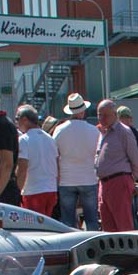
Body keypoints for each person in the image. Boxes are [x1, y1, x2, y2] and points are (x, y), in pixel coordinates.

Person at [93, 99, 138, 232]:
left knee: (123, 226)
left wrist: (129, 180)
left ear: (114, 114)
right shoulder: (103, 132)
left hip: (119, 182)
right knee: (107, 228)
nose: (102, 118)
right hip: (104, 183)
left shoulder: (123, 132)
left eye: (105, 115)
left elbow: (137, 159)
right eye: (99, 115)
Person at [52, 92, 100, 229]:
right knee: (92, 220)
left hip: (66, 179)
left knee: (67, 221)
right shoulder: (94, 131)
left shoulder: (59, 130)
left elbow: (55, 154)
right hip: (89, 178)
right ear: (83, 111)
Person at [14, 105, 59, 218]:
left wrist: (16, 191)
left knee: (32, 226)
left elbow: (22, 169)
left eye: (17, 119)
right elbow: (57, 166)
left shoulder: (24, 140)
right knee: (46, 224)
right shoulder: (50, 139)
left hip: (33, 191)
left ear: (25, 119)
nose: (16, 122)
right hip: (51, 190)